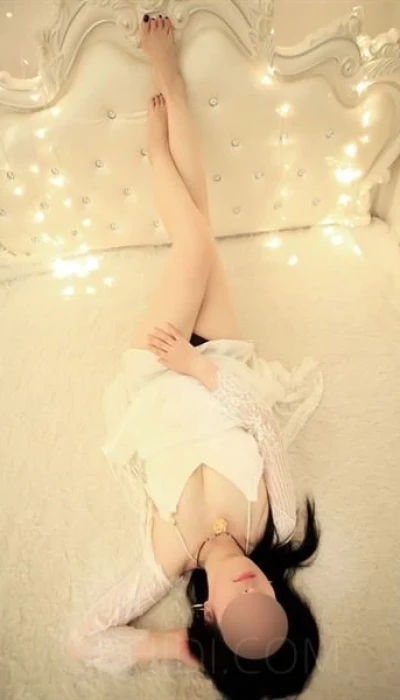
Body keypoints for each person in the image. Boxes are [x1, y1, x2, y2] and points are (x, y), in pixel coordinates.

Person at [66, 14, 324, 699]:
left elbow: (84, 639)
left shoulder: (165, 559)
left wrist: (178, 649)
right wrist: (202, 366)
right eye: (270, 599)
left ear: (211, 617)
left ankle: (161, 127)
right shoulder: (277, 523)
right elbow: (262, 422)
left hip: (156, 369)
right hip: (220, 364)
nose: (252, 587)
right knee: (200, 227)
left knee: (196, 243)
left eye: (241, 612)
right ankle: (169, 99)